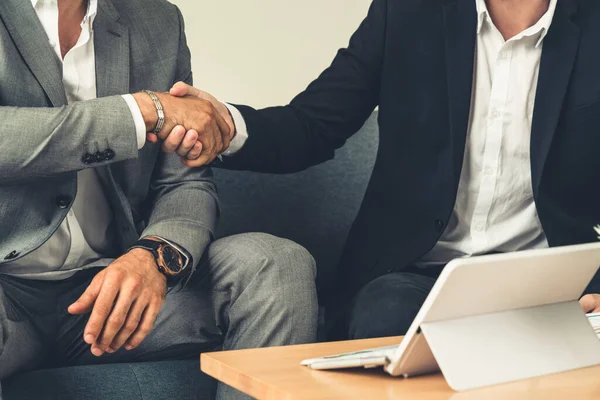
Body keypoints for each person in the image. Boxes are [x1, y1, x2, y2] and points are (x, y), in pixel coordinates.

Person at [157, 0, 600, 340]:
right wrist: (226, 126)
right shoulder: (409, 11)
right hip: (413, 278)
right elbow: (312, 125)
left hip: (556, 282)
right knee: (384, 316)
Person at [0, 0, 317, 399]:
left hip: (111, 291)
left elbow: (184, 181)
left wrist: (154, 255)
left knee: (275, 264)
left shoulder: (157, 21)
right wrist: (143, 110)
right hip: (7, 290)